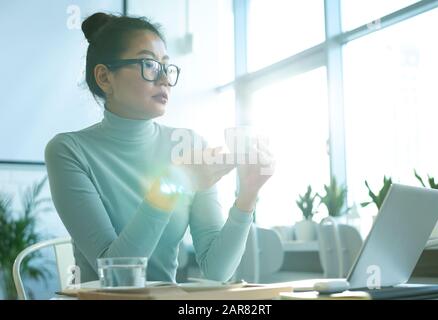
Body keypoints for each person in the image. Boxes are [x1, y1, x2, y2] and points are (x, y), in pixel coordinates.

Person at [45, 12, 274, 283]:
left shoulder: (188, 145)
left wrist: (248, 195)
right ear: (105, 78)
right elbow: (118, 277)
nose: (164, 78)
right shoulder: (68, 151)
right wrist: (173, 181)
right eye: (150, 65)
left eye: (167, 66)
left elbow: (217, 271)